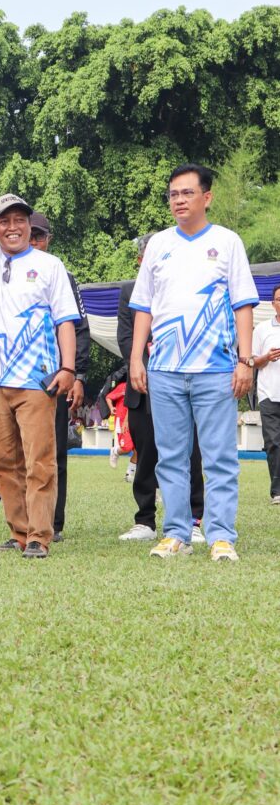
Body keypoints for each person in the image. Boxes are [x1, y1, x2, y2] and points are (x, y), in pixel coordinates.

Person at [0, 122, 80, 559]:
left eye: (19, 220)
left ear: (29, 225)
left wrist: (68, 368)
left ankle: (41, 537)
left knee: (40, 461)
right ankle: (21, 532)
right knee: (0, 464)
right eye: (4, 221)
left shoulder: (50, 266)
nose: (12, 227)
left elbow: (65, 320)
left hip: (37, 379)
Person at [129, 164, 258, 562]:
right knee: (171, 456)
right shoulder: (158, 245)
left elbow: (243, 305)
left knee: (219, 456)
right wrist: (137, 358)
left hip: (217, 369)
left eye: (186, 193)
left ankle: (220, 536)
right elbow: (144, 307)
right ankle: (176, 534)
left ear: (207, 197)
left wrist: (245, 361)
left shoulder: (228, 242)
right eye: (173, 194)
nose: (179, 200)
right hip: (165, 369)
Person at [118, 234, 206, 543]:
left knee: (189, 453)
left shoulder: (185, 286)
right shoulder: (129, 292)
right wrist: (140, 363)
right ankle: (145, 520)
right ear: (142, 260)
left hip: (183, 381)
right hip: (143, 387)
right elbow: (127, 338)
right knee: (146, 454)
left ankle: (193, 520)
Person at [27, 212, 90, 542]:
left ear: (48, 239)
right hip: (15, 376)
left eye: (40, 236)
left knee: (54, 452)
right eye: (30, 235)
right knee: (5, 455)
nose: (34, 241)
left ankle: (55, 522)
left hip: (54, 377)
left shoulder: (61, 273)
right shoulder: (7, 269)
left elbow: (80, 328)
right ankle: (1, 522)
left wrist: (77, 374)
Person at [252, 284, 280, 504]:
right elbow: (252, 361)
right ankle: (277, 491)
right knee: (273, 442)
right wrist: (266, 358)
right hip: (269, 393)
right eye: (279, 299)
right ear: (273, 304)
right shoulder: (261, 329)